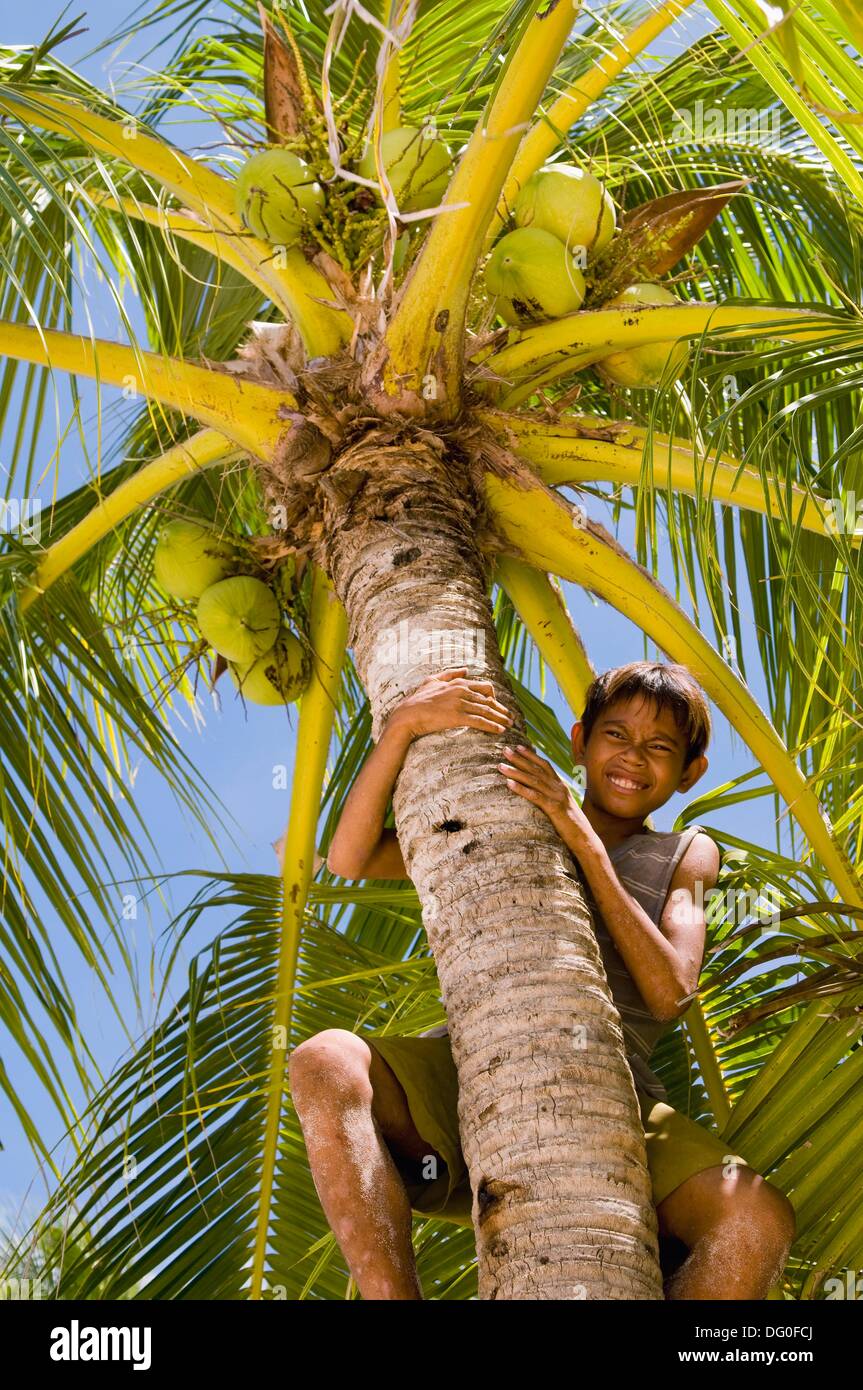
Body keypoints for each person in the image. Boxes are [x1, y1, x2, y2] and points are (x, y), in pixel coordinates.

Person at [288, 662, 796, 1300]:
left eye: (660, 748)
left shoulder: (686, 854)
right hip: (478, 1066)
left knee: (755, 1220)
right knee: (323, 1060)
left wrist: (582, 840)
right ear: (582, 740)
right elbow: (349, 857)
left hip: (618, 1094)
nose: (633, 758)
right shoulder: (509, 820)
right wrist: (403, 727)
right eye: (617, 736)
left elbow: (672, 988)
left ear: (689, 773)